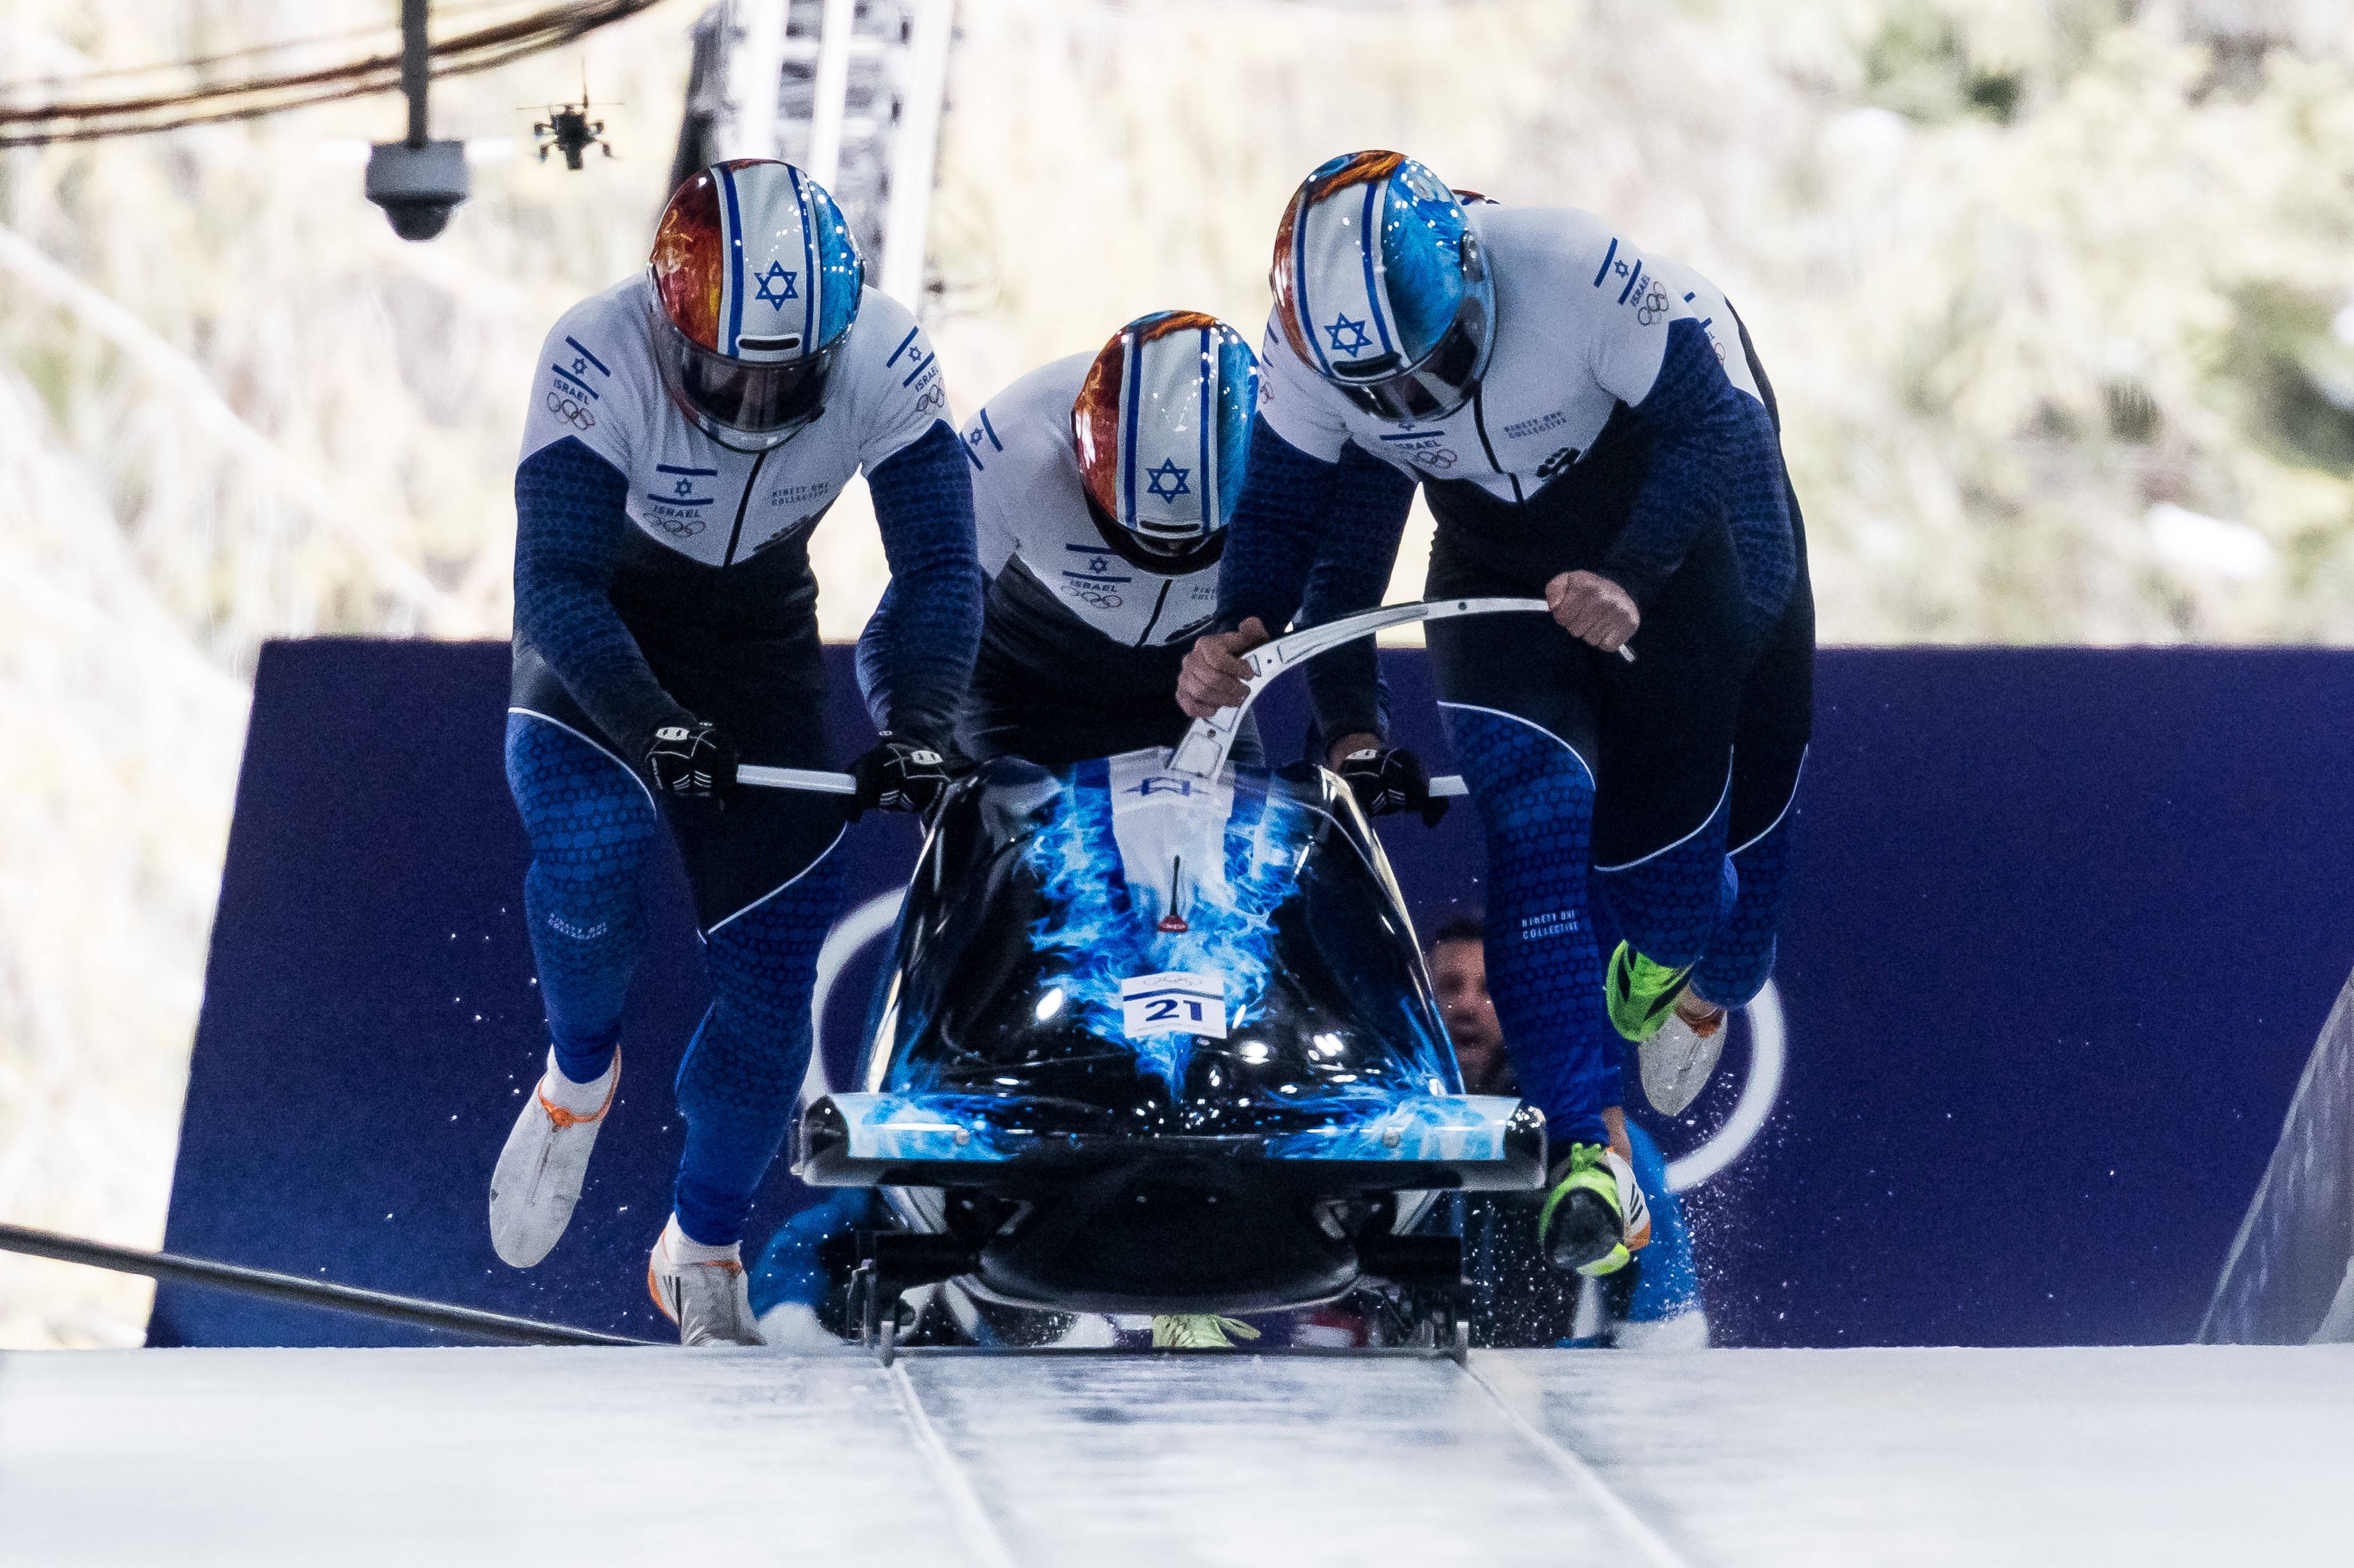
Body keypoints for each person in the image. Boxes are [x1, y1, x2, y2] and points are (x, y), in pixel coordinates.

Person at [1179, 150, 1811, 1281]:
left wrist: (1629, 571)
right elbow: (1307, 529)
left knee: (1713, 888)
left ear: (1475, 290)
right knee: (1534, 818)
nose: (1415, 408)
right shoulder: (1316, 354)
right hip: (1502, 575)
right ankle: (1585, 1151)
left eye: (1436, 371)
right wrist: (1246, 639)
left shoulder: (1571, 270)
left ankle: (1699, 971)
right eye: (1382, 397)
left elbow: (1716, 439)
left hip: (1689, 542)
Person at [486, 158, 981, 1346]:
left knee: (770, 989)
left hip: (756, 642)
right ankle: (579, 1073)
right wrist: (650, 720)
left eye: (785, 381)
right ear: (672, 335)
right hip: (606, 629)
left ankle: (698, 1246)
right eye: (725, 376)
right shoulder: (595, 346)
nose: (753, 405)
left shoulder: (888, 353)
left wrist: (916, 723)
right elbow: (554, 580)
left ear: (837, 344)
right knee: (592, 844)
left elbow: (940, 572)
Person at [957, 311, 1263, 768]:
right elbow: (926, 606)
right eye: (1137, 533)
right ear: (1084, 455)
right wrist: (911, 733)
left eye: (1191, 542)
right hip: (1016, 695)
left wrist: (1354, 744)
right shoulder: (1018, 439)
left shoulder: (1296, 454)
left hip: (1195, 699)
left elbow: (1336, 627)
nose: (1169, 553)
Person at [1428, 916, 1705, 1348]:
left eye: (1489, 989)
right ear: (1423, 1005)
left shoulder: (1600, 1146)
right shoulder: (1382, 1142)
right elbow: (1335, 1328)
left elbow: (1669, 1337)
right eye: (1449, 986)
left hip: (1563, 1407)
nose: (1466, 1005)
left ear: (1521, 1006)